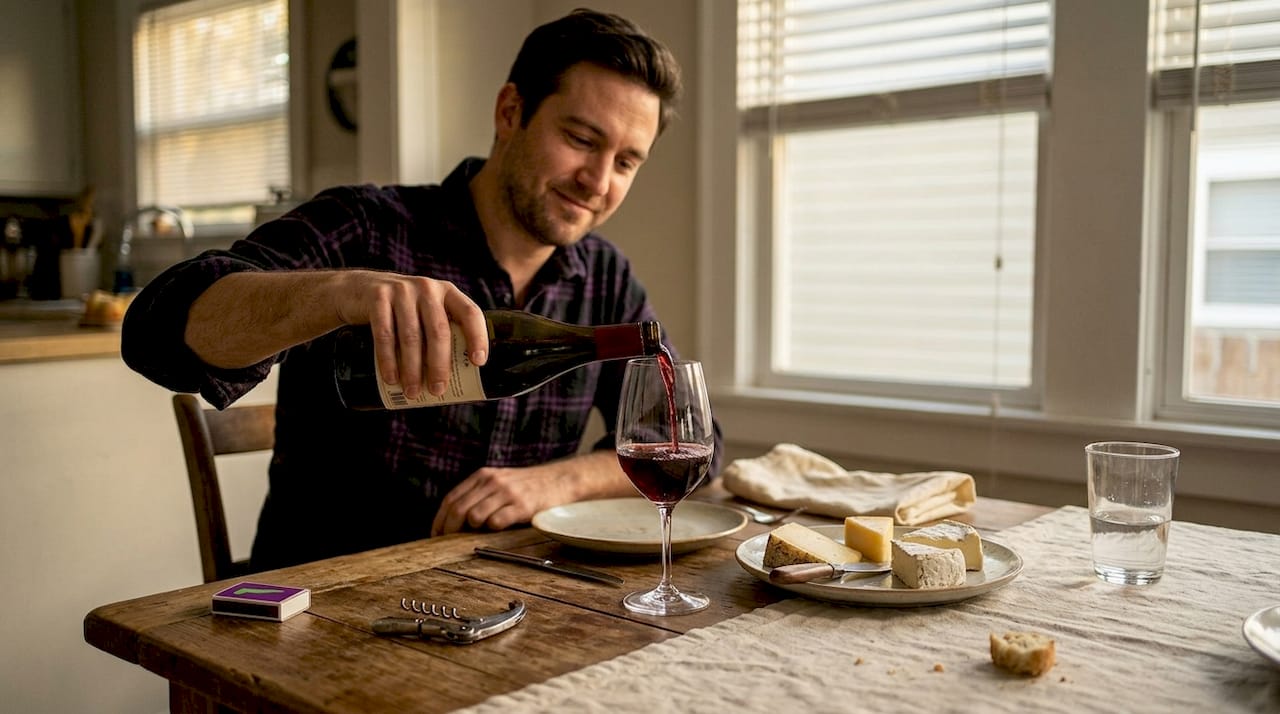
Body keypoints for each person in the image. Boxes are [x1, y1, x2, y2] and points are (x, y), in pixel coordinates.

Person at [122, 8, 723, 571]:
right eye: (582, 140)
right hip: (327, 609)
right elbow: (155, 329)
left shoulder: (605, 278)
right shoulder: (364, 227)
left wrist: (555, 481)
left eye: (625, 162)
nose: (597, 181)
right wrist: (336, 294)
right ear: (510, 111)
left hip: (511, 601)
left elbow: (696, 442)